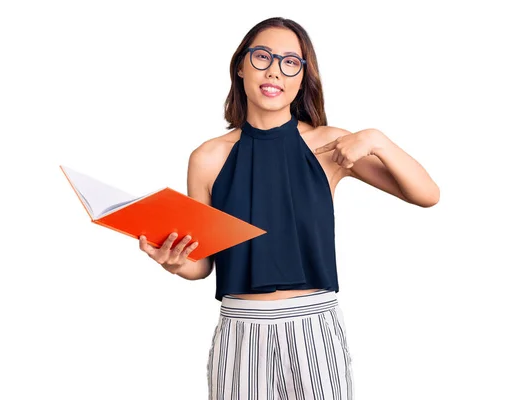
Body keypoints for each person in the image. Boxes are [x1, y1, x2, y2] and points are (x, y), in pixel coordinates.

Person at [138, 16, 439, 400]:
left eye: (290, 62)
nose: (274, 71)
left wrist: (377, 140)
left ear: (301, 78)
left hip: (314, 325)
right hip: (240, 329)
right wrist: (176, 262)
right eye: (262, 56)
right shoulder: (207, 158)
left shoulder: (331, 146)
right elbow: (202, 264)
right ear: (241, 66)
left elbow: (427, 193)